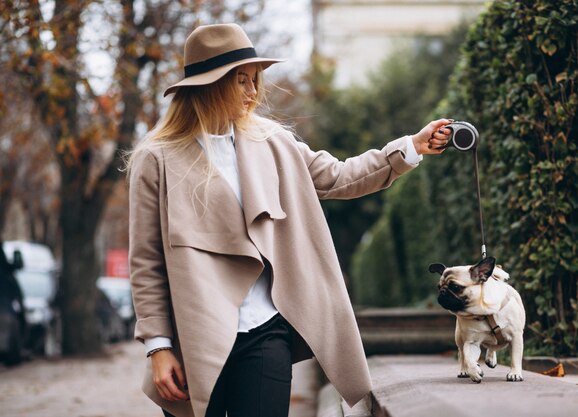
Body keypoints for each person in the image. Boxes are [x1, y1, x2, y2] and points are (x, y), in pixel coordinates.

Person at [126, 23, 451, 417]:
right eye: (239, 81)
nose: (252, 92)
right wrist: (158, 347)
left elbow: (340, 176)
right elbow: (146, 262)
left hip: (266, 331)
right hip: (194, 338)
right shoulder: (156, 159)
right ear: (209, 86)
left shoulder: (273, 142)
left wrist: (408, 148)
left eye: (255, 80)